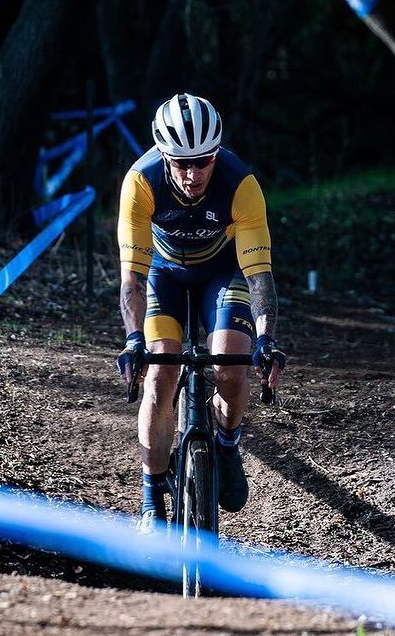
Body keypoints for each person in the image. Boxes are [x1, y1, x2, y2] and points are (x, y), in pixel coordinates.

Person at [116, 92, 286, 533]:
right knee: (160, 374)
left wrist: (267, 339)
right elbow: (131, 279)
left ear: (216, 154)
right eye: (180, 162)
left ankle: (227, 445)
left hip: (222, 272)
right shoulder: (141, 182)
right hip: (163, 275)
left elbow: (259, 276)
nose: (192, 174)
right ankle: (151, 491)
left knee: (233, 368)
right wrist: (134, 341)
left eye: (203, 161)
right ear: (162, 154)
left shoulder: (240, 184)